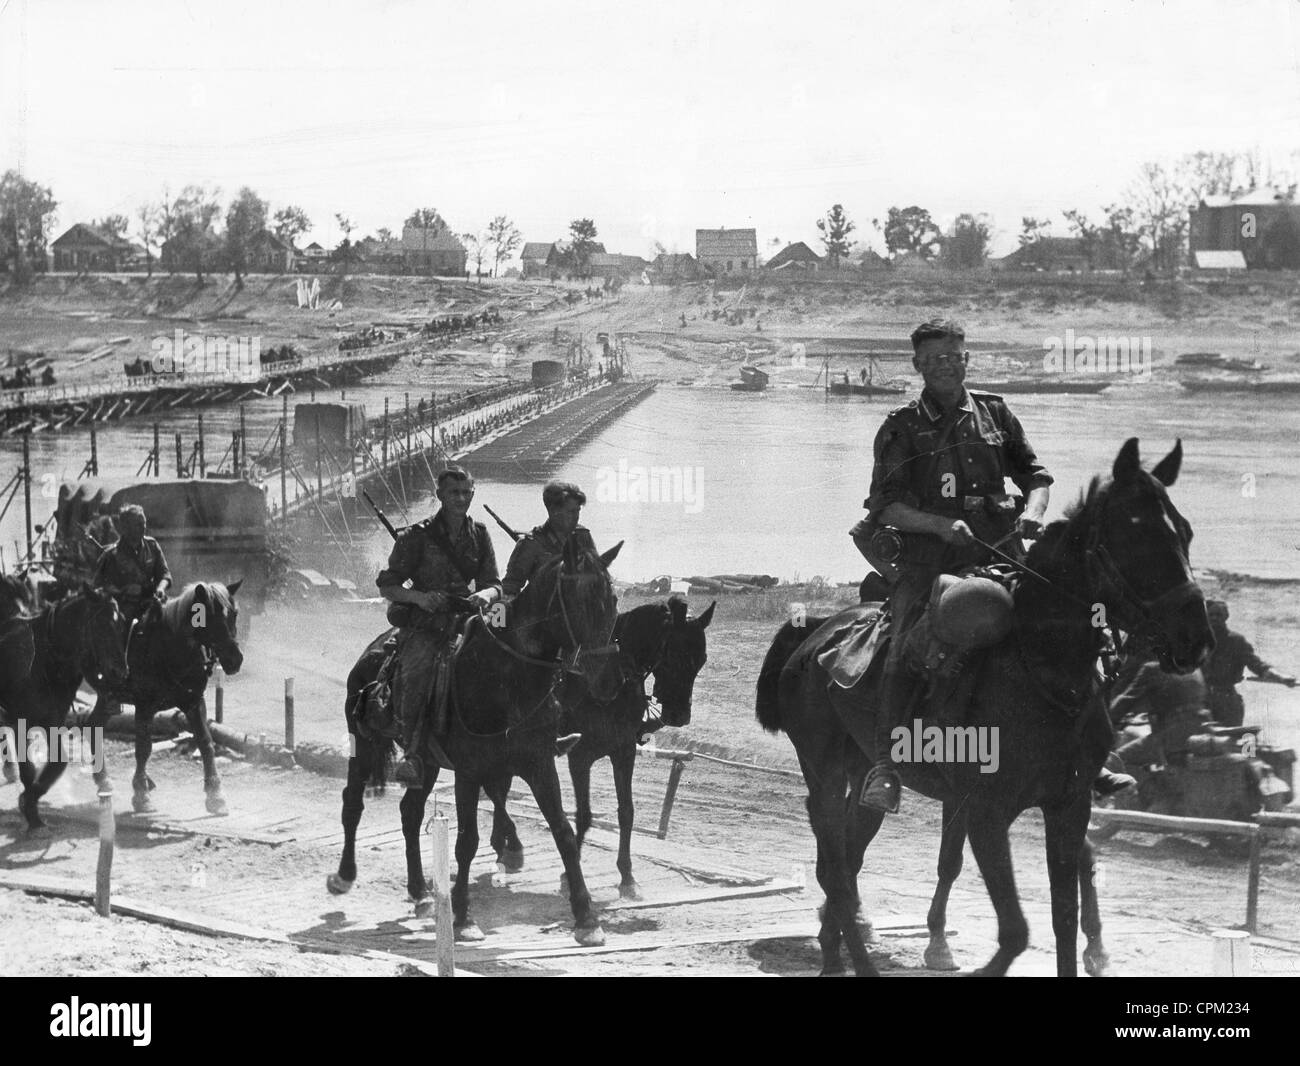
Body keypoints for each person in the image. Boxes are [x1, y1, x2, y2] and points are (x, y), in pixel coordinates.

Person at [854, 318, 1131, 811]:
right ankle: (886, 765)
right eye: (934, 359)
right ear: (918, 365)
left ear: (967, 359)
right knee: (906, 639)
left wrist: (1035, 514)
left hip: (1002, 552)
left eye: (953, 356)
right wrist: (940, 526)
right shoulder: (900, 426)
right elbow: (885, 506)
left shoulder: (995, 413)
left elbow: (1036, 476)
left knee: (1078, 627)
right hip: (928, 563)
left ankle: (1089, 754)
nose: (945, 366)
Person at [377, 466, 501, 786]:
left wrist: (484, 596)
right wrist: (419, 598)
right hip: (427, 624)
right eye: (453, 493)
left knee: (509, 659)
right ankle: (413, 751)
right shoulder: (417, 537)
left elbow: (494, 583)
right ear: (440, 496)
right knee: (417, 668)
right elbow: (388, 584)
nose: (460, 498)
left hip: (468, 620)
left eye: (465, 492)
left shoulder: (481, 534)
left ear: (472, 494)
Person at [1203, 599, 1296, 727]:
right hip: (1200, 700)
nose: (1214, 618)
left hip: (1226, 700)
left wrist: (1281, 676)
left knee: (1230, 741)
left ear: (1226, 617)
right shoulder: (1198, 641)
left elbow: (1257, 665)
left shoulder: (1236, 641)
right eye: (1211, 615)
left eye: (1218, 615)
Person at [1109, 661, 1209, 769]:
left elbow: (1125, 702)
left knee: (1112, 762)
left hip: (1170, 737)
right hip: (1200, 729)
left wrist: (1102, 718)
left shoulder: (1153, 669)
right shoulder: (1194, 667)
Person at [93, 504, 171, 639]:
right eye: (138, 524)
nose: (143, 527)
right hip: (124, 608)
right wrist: (121, 591)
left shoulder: (152, 546)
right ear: (125, 528)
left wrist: (161, 588)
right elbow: (99, 585)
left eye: (144, 523)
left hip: (152, 602)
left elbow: (165, 574)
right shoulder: (111, 555)